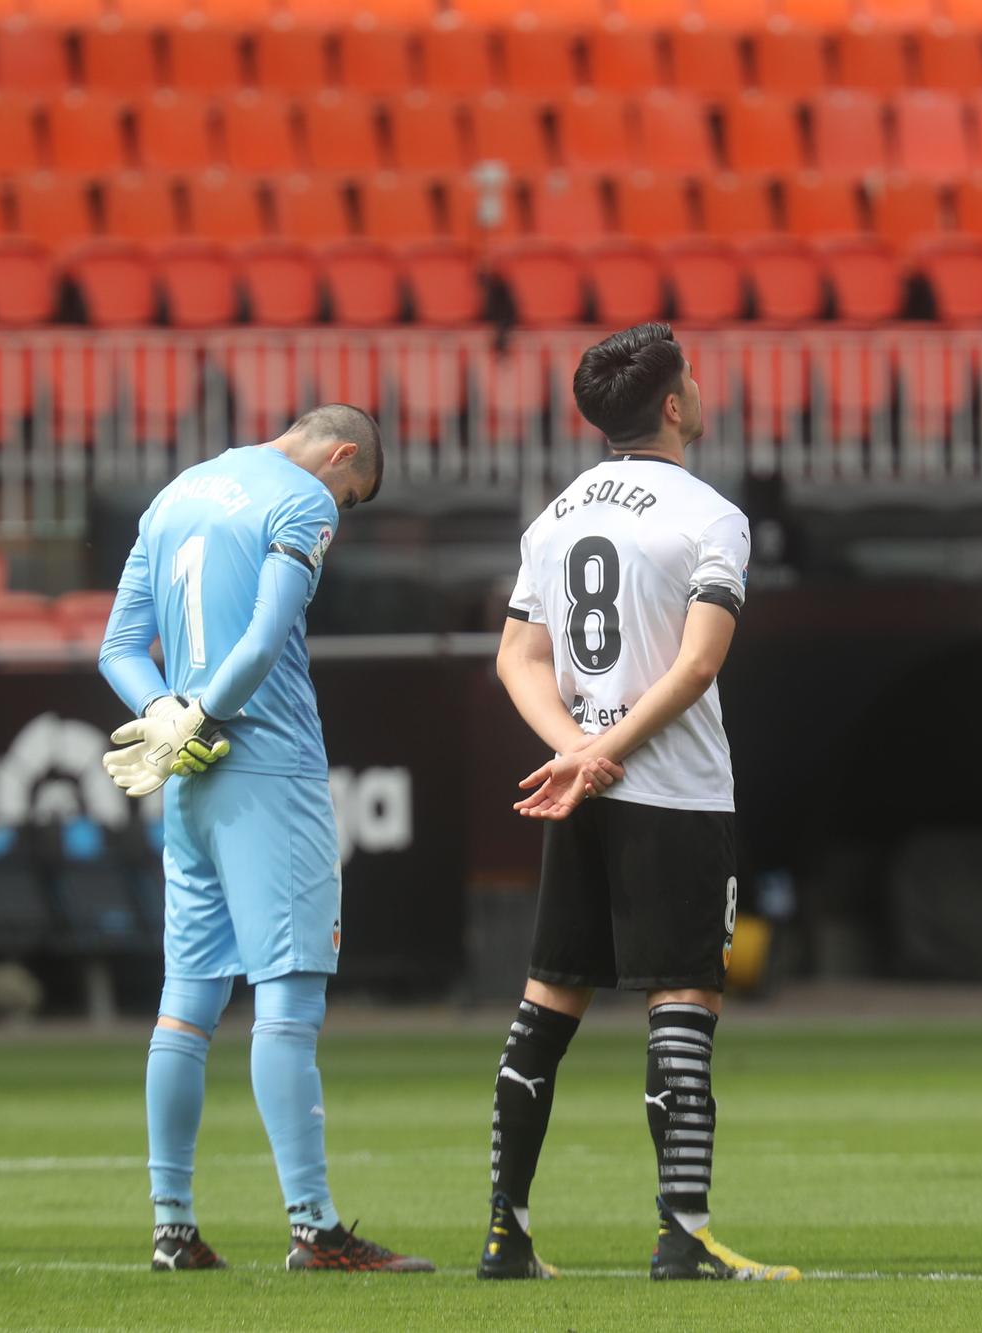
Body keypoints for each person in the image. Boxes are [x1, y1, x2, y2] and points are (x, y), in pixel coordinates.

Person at [475, 323, 798, 1283]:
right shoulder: (712, 516)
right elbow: (699, 663)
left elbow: (515, 658)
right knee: (684, 1002)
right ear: (671, 404)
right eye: (689, 377)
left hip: (584, 793)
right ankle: (683, 1236)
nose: (698, 388)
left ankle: (505, 1232)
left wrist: (573, 749)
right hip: (674, 792)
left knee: (546, 1003)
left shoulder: (557, 514)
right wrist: (606, 749)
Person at [97, 405, 431, 1275]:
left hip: (191, 780)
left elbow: (120, 647)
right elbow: (266, 633)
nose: (340, 512)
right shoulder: (301, 502)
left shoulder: (173, 495)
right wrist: (206, 711)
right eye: (351, 494)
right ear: (342, 454)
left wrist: (166, 715)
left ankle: (172, 1224)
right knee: (288, 999)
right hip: (268, 768)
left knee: (185, 1005)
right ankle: (314, 1227)